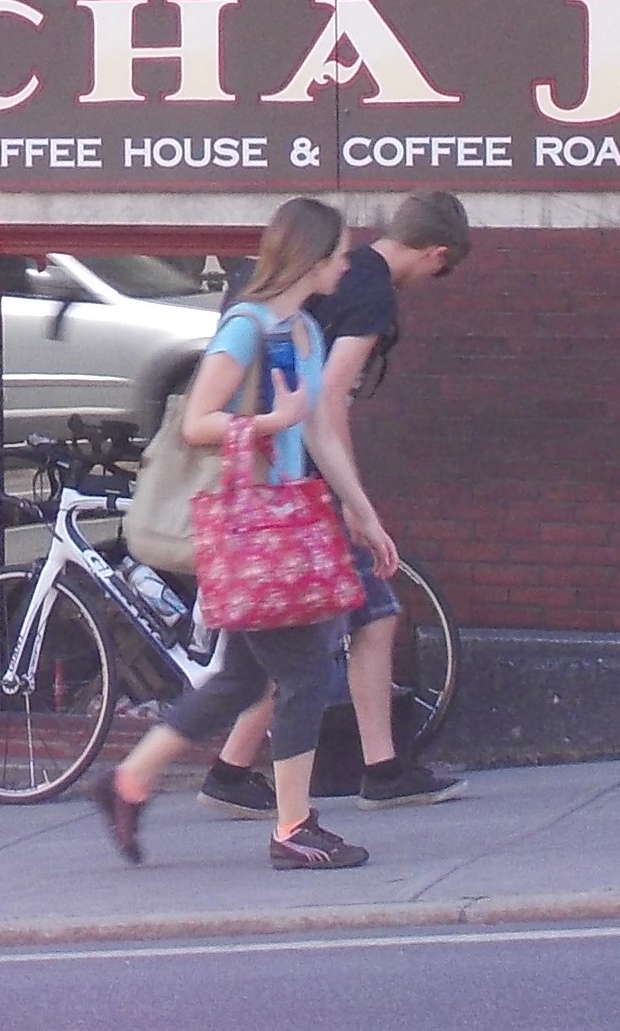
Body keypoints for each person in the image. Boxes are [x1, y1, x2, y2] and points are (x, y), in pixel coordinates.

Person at [91, 197, 392, 872]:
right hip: (253, 532)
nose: (347, 264)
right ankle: (293, 827)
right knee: (307, 672)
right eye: (339, 253)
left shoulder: (305, 334)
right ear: (310, 257)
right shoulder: (246, 330)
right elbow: (197, 420)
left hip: (282, 524)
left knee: (237, 681)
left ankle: (125, 783)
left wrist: (362, 511)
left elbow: (316, 430)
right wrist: (267, 422)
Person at [199, 190, 472, 817]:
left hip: (279, 478)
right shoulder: (371, 293)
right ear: (435, 252)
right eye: (443, 268)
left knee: (299, 635)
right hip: (303, 489)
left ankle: (233, 769)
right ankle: (375, 773)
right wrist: (354, 502)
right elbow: (329, 403)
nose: (437, 279)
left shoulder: (327, 280)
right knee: (358, 619)